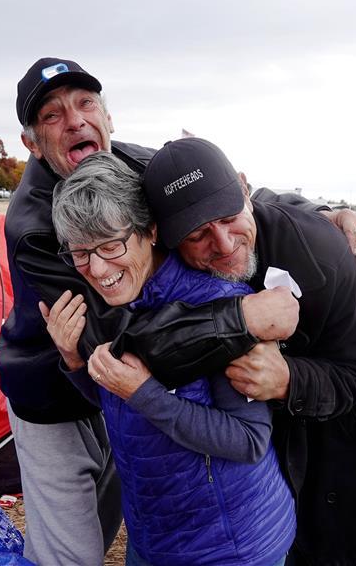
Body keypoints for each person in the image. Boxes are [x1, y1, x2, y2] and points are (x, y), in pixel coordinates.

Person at [0, 56, 356, 565]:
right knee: (71, 550)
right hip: (51, 393)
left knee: (148, 470)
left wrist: (313, 212)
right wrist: (242, 320)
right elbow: (123, 351)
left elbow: (224, 187)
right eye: (51, 116)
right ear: (32, 143)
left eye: (86, 103)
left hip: (146, 428)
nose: (75, 121)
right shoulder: (38, 231)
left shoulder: (138, 169)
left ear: (108, 117)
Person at [87, 137, 356, 565]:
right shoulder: (159, 274)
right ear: (163, 240)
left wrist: (288, 380)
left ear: (245, 190)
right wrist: (240, 319)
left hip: (335, 461)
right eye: (198, 234)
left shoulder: (321, 252)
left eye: (228, 218)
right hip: (247, 495)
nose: (223, 244)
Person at [43, 151, 296, 565]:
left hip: (231, 546)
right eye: (80, 252)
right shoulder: (118, 304)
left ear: (151, 231)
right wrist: (73, 360)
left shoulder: (222, 307)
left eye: (110, 246)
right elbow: (126, 409)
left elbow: (249, 441)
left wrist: (145, 393)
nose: (96, 267)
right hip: (156, 536)